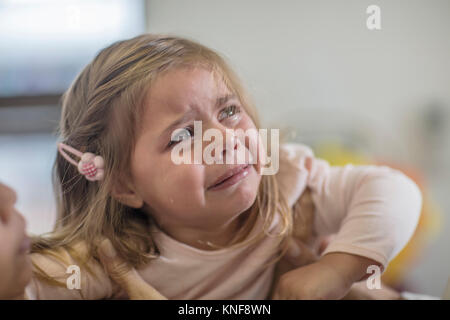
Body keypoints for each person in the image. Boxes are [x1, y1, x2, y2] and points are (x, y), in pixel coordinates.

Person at [18, 34, 422, 299]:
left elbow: (394, 190)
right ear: (124, 185)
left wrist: (337, 271)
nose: (224, 141)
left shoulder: (287, 184)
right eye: (182, 136)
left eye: (228, 110)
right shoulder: (113, 256)